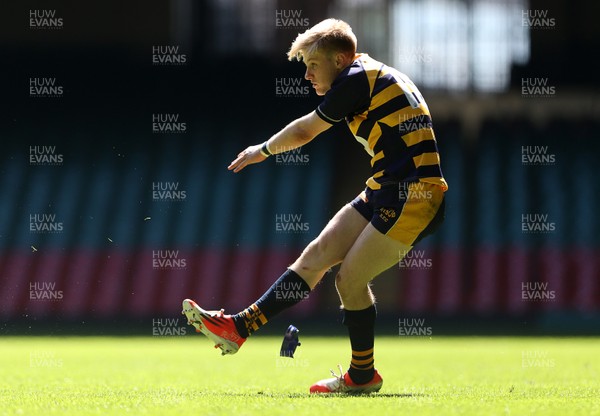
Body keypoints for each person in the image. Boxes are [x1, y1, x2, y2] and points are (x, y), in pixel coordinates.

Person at [182, 18, 448, 394]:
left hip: (415, 193)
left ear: (339, 60)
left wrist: (263, 150)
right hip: (388, 187)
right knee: (317, 254)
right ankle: (238, 328)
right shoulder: (367, 74)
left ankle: (361, 376)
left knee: (349, 279)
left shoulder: (355, 79)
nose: (307, 75)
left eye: (313, 64)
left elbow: (307, 130)